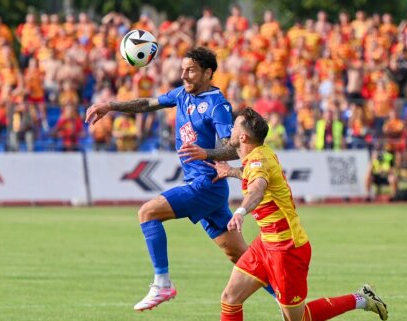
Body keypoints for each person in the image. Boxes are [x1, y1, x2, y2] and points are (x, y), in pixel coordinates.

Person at [85, 47, 273, 311]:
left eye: (191, 70)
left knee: (148, 213)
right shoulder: (182, 94)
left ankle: (162, 283)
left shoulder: (217, 105)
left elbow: (234, 148)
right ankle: (286, 298)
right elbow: (149, 103)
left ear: (208, 73)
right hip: (208, 190)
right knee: (241, 257)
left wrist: (205, 152)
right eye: (183, 69)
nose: (184, 75)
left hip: (204, 185)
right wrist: (111, 106)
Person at [205, 108, 388, 321]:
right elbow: (251, 175)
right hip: (265, 244)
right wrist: (230, 171)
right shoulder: (259, 154)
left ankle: (362, 298)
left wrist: (240, 211)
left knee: (299, 318)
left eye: (234, 126)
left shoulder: (257, 161)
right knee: (230, 298)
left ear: (243, 137)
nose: (230, 129)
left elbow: (257, 189)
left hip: (286, 249)